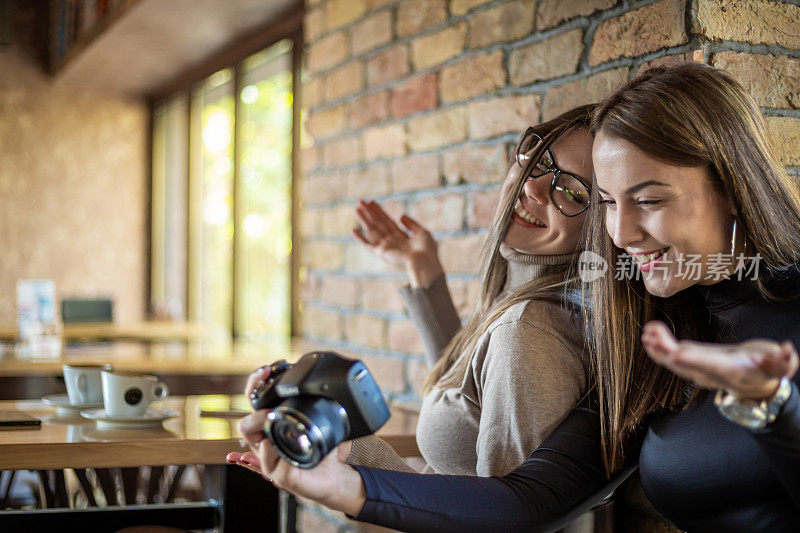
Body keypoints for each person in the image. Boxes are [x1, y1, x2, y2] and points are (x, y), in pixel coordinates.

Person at [232, 63, 800, 532]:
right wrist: (342, 484)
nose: (622, 233)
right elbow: (526, 499)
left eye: (648, 200)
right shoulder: (656, 345)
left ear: (730, 186)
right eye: (606, 202)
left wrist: (779, 409)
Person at [230, 104, 597, 481]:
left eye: (571, 192)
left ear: (600, 228)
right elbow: (466, 391)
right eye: (538, 162)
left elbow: (498, 516)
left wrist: (342, 474)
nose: (533, 187)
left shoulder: (528, 333)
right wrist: (424, 274)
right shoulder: (518, 299)